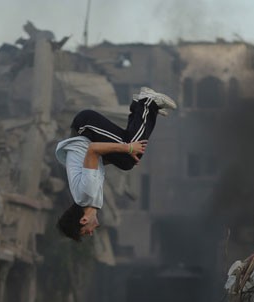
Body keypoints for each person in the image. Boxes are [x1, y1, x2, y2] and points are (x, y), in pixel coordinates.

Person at [55, 87, 177, 241]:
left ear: (83, 220)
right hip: (86, 133)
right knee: (127, 161)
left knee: (131, 147)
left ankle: (147, 103)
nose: (91, 232)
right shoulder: (88, 198)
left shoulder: (88, 193)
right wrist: (122, 155)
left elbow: (93, 150)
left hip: (85, 128)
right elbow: (96, 160)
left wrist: (127, 148)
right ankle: (142, 106)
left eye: (86, 232)